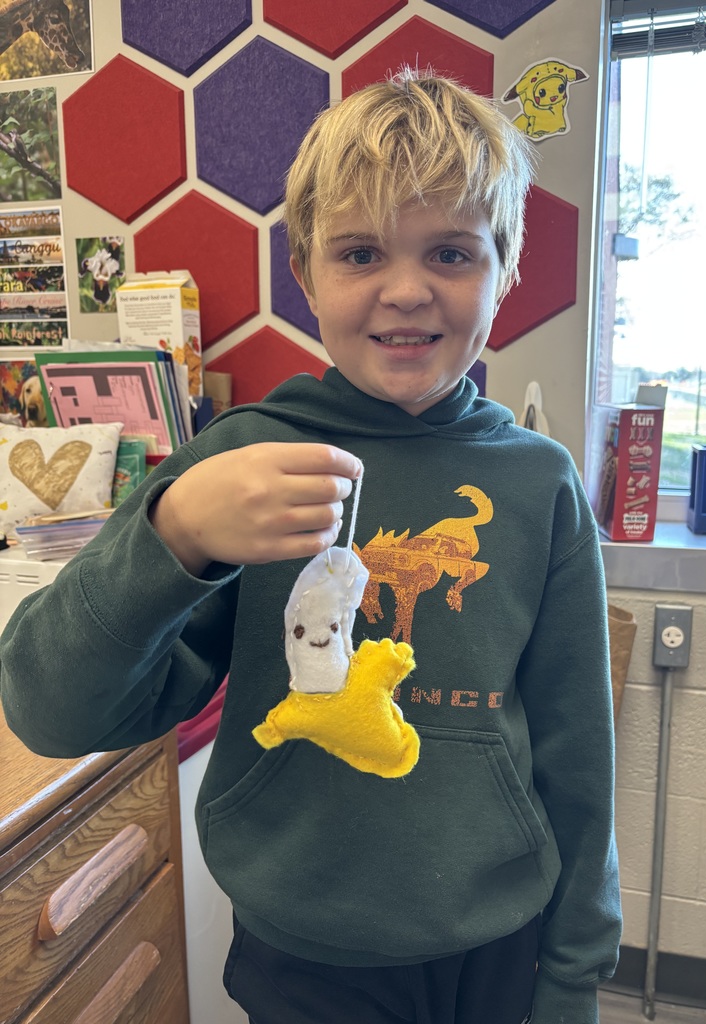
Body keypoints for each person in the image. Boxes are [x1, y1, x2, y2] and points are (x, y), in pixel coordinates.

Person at [0, 69, 621, 1023]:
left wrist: (576, 973)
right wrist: (174, 534)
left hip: (504, 950)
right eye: (361, 251)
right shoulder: (240, 462)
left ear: (506, 270)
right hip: (303, 960)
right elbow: (49, 711)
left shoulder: (541, 485)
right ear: (305, 273)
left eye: (451, 252)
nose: (406, 290)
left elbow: (581, 754)